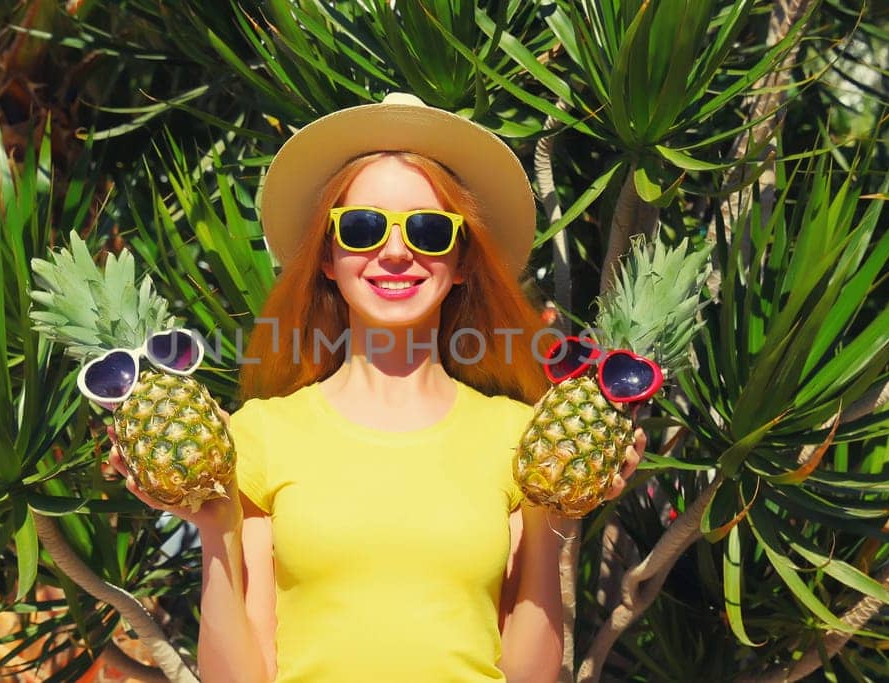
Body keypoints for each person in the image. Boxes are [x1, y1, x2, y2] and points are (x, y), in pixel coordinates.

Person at [107, 93, 646, 682]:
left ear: (463, 260)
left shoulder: (520, 437)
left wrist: (549, 523)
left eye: (429, 230)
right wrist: (215, 528)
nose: (395, 252)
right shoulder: (260, 435)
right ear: (328, 257)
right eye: (362, 228)